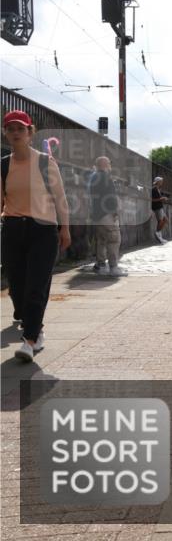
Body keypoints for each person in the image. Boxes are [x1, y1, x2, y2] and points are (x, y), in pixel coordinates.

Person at [1, 110, 71, 362]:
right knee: (17, 287)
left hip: (42, 229)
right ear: (5, 133)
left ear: (30, 133)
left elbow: (60, 198)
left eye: (21, 129)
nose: (15, 133)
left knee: (36, 287)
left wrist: (65, 228)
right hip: (12, 229)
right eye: (10, 129)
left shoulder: (44, 162)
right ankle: (35, 329)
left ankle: (29, 341)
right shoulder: (4, 164)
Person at [89, 156, 126, 276]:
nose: (111, 165)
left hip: (97, 215)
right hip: (107, 215)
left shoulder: (93, 177)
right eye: (109, 163)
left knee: (101, 240)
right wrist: (115, 211)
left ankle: (101, 266)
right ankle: (113, 268)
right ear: (105, 164)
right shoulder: (106, 177)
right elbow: (111, 197)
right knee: (114, 239)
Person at [151, 176, 169, 244]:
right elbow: (152, 200)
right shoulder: (154, 189)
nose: (162, 182)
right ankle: (158, 234)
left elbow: (159, 199)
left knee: (165, 220)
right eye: (161, 181)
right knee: (161, 221)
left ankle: (159, 236)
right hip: (157, 207)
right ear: (157, 182)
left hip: (160, 207)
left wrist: (163, 199)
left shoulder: (158, 189)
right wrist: (161, 199)